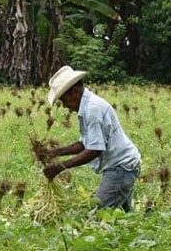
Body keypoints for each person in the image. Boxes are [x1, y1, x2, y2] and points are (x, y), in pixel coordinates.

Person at [42, 66, 142, 211]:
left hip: (120, 168)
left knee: (98, 215)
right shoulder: (87, 106)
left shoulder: (92, 109)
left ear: (75, 92)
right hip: (125, 166)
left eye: (64, 100)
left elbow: (94, 150)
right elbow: (85, 144)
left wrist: (59, 167)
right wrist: (54, 152)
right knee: (122, 217)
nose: (64, 105)